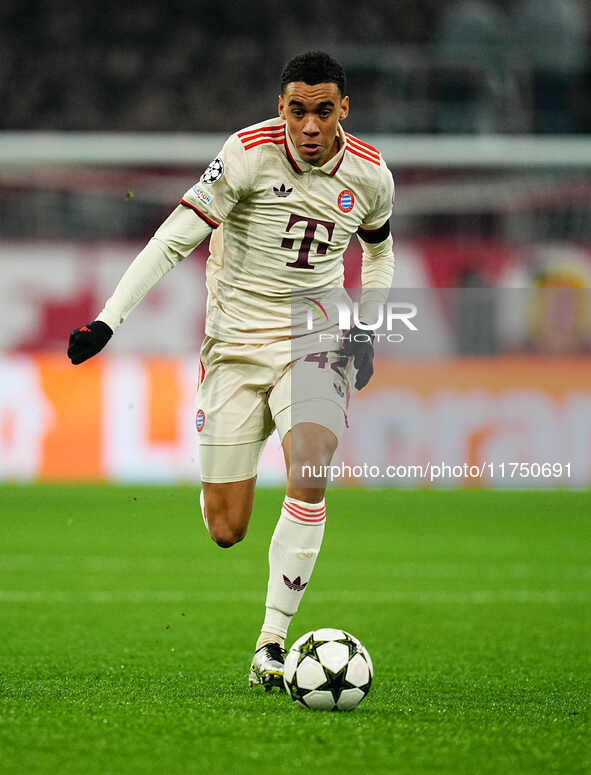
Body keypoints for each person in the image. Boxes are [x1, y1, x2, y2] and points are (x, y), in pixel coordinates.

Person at [67, 50, 395, 690]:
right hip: (235, 345)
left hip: (316, 334)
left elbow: (380, 254)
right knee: (227, 527)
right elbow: (173, 238)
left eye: (323, 111)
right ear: (281, 108)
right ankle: (225, 464)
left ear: (343, 111)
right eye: (297, 110)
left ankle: (272, 642)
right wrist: (109, 320)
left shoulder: (373, 175)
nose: (309, 125)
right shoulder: (245, 155)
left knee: (311, 465)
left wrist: (368, 325)